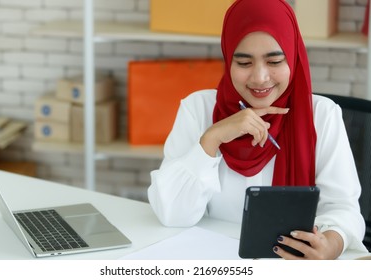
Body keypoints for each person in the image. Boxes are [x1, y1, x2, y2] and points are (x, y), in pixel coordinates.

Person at [147, 0, 368, 259]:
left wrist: (331, 243)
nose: (260, 78)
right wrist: (212, 138)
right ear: (228, 59)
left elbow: (344, 208)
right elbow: (172, 214)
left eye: (274, 61)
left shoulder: (322, 115)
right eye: (243, 63)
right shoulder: (198, 109)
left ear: (293, 57)